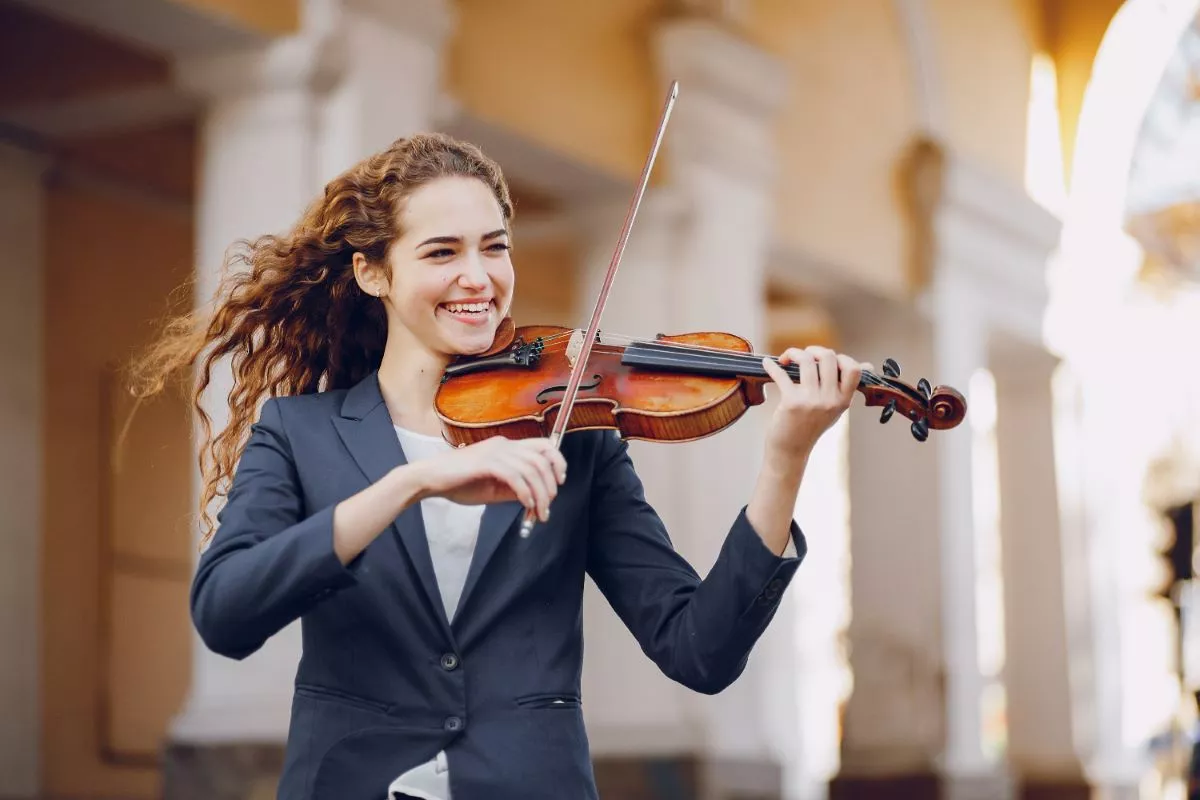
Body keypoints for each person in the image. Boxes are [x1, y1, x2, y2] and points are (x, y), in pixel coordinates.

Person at [131, 132, 866, 800]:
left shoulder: (574, 431)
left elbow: (699, 650)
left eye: (495, 246)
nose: (479, 277)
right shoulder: (300, 433)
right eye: (442, 252)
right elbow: (225, 613)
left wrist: (786, 459)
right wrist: (409, 483)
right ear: (372, 273)